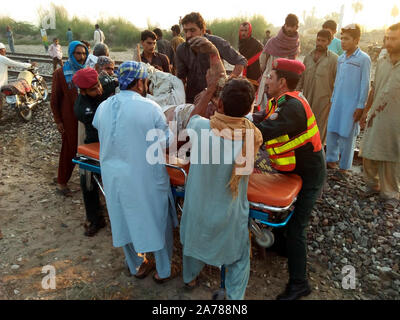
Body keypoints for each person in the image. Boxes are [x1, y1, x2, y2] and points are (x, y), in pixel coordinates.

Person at [92, 61, 178, 283]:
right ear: (140, 82)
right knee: (157, 221)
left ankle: (137, 265)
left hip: (115, 178)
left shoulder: (104, 106)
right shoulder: (149, 107)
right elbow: (167, 142)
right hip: (145, 178)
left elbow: (99, 128)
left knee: (124, 219)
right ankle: (163, 270)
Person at [180, 75, 262, 300]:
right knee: (239, 257)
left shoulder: (200, 127)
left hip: (197, 210)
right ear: (249, 109)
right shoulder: (251, 136)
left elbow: (191, 117)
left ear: (220, 104)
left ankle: (190, 278)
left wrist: (209, 91)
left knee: (192, 245)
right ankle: (235, 298)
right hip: (229, 216)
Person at [254, 58, 326, 300]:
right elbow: (261, 118)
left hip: (309, 174)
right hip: (294, 170)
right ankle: (282, 248)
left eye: (270, 78)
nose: (266, 81)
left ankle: (299, 284)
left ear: (282, 82)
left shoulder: (292, 108)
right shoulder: (280, 102)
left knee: (297, 227)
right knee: (286, 216)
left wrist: (230, 126)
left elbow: (261, 131)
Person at [72, 67, 118, 236]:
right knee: (87, 179)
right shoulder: (82, 108)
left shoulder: (103, 85)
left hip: (116, 137)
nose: (99, 90)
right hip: (95, 141)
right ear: (82, 91)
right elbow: (99, 130)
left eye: (98, 85)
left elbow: (115, 82)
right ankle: (95, 219)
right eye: (93, 90)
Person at [359, 23, 400, 211]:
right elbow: (374, 87)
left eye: (394, 39)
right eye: (388, 38)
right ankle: (372, 184)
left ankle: (390, 193)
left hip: (396, 119)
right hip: (376, 113)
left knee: (392, 156)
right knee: (368, 150)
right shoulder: (382, 58)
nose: (389, 42)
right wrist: (366, 110)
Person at [326, 24, 371, 179]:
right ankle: (331, 160)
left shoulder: (363, 59)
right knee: (332, 130)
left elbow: (365, 84)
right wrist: (333, 99)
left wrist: (361, 106)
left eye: (347, 39)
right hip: (338, 101)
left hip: (352, 104)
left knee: (347, 135)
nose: (343, 42)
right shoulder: (341, 58)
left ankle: (344, 168)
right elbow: (338, 81)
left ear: (356, 40)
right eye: (342, 38)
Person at [176, 12, 247, 103]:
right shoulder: (181, 49)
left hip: (216, 98)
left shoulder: (216, 43)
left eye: (192, 30)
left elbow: (241, 61)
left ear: (202, 30)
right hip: (193, 99)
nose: (188, 35)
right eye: (186, 31)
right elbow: (181, 78)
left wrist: (227, 84)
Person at [50, 41, 88, 196]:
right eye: (78, 53)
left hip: (85, 118)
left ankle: (63, 177)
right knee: (70, 149)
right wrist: (58, 120)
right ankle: (61, 183)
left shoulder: (87, 71)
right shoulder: (60, 74)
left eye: (84, 53)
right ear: (71, 54)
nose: (81, 57)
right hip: (70, 119)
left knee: (82, 149)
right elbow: (54, 100)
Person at [297, 29, 338, 145]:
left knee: (319, 132)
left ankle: (318, 157)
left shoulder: (334, 59)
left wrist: (332, 101)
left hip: (323, 102)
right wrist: (296, 94)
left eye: (323, 41)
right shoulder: (308, 57)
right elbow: (301, 78)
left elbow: (337, 82)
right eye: (318, 40)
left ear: (329, 42)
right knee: (304, 129)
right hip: (306, 100)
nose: (319, 43)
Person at [257, 14, 300, 108]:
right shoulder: (273, 42)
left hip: (284, 86)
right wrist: (266, 74)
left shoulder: (295, 45)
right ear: (284, 25)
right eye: (287, 25)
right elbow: (262, 61)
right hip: (269, 82)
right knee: (266, 112)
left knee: (281, 112)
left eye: (292, 26)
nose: (289, 29)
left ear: (296, 27)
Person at [0, 42, 33, 118]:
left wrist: (7, 66)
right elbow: (16, 64)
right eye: (4, 50)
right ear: (1, 50)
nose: (5, 51)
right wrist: (29, 65)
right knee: (1, 100)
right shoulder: (2, 58)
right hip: (1, 84)